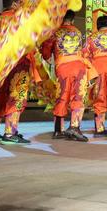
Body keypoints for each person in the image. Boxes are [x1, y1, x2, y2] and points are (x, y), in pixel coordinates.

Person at [0, 0, 40, 144]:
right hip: (18, 62)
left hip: (1, 65)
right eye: (20, 3)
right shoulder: (18, 18)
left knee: (1, 96)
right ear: (15, 4)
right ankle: (10, 132)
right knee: (17, 95)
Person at [42, 10, 95, 141]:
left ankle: (58, 131)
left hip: (63, 68)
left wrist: (48, 56)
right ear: (72, 20)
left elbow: (46, 51)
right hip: (79, 66)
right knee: (78, 96)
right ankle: (74, 127)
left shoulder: (54, 32)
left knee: (62, 96)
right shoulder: (77, 31)